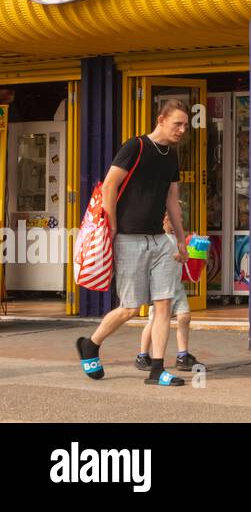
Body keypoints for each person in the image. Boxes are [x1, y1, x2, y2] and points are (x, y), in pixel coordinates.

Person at [75, 98, 191, 386]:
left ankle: (156, 371)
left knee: (163, 305)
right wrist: (113, 226)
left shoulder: (171, 156)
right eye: (177, 123)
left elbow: (172, 201)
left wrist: (179, 240)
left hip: (159, 240)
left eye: (185, 125)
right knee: (129, 307)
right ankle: (91, 344)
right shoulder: (135, 147)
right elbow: (110, 184)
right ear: (161, 119)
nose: (182, 130)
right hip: (129, 237)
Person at [136, 213, 204, 373]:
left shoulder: (175, 238)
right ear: (166, 219)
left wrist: (193, 248)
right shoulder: (158, 239)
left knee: (184, 317)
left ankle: (182, 355)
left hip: (176, 286)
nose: (181, 221)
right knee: (154, 322)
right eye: (178, 218)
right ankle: (143, 355)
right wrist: (176, 256)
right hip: (161, 288)